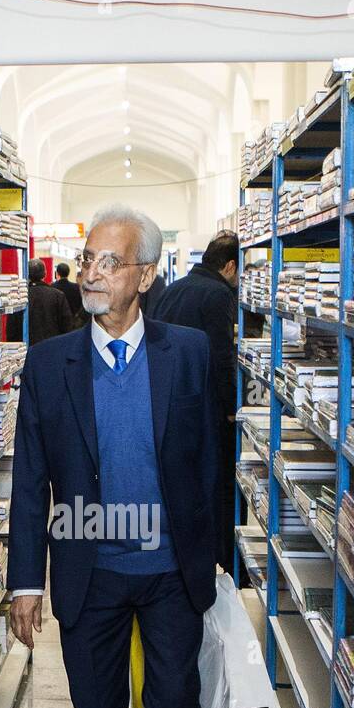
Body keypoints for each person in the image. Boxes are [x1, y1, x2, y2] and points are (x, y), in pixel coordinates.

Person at [7, 204, 218, 708]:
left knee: (172, 707)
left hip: (167, 573)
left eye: (110, 262)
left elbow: (208, 459)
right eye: (88, 259)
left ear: (146, 275)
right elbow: (30, 477)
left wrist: (211, 556)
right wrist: (24, 581)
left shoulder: (187, 351)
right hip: (87, 570)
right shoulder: (48, 363)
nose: (91, 273)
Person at [152, 230, 238, 573]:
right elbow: (221, 355)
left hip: (168, 402)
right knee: (212, 484)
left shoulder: (173, 289)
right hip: (204, 406)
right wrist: (232, 405)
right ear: (230, 266)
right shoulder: (218, 294)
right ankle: (214, 558)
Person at [27, 257, 74, 345]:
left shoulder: (22, 297)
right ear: (45, 274)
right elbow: (67, 324)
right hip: (53, 346)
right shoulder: (57, 295)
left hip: (27, 348)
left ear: (27, 274)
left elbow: (13, 329)